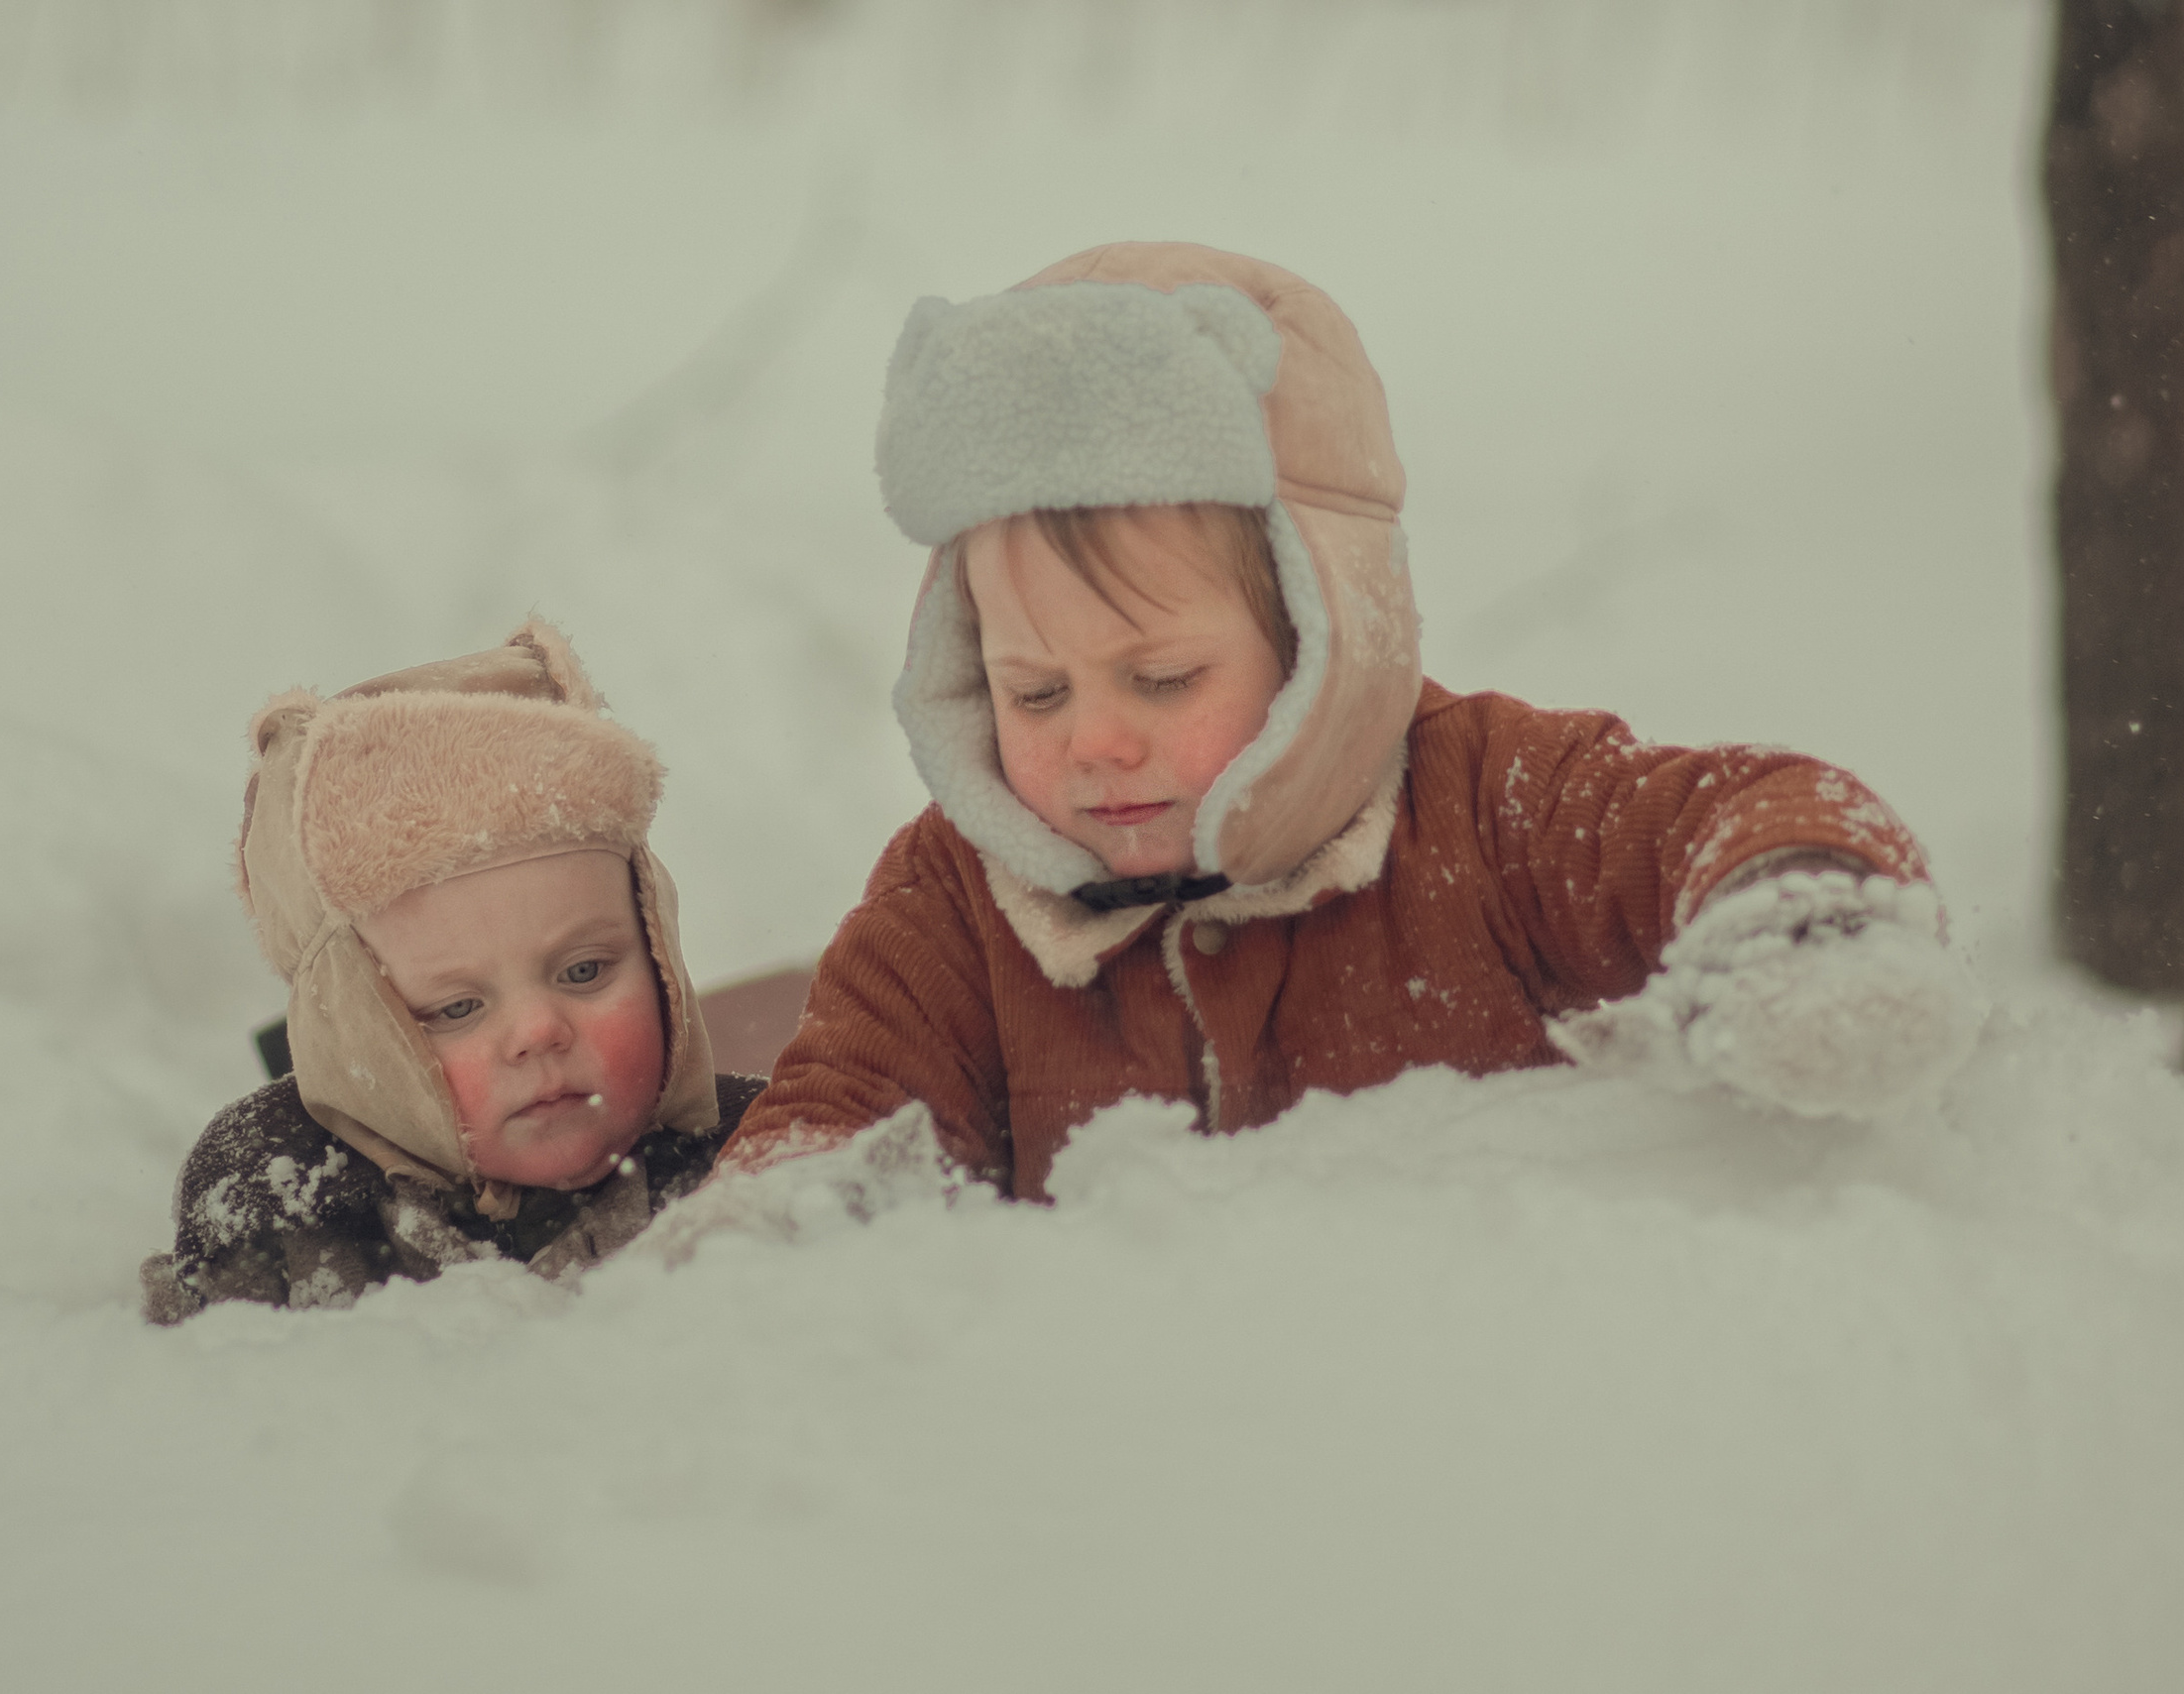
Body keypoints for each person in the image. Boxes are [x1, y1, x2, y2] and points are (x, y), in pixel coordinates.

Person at [713, 241, 1983, 1201]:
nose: (1093, 741)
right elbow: (843, 1100)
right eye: (1033, 690)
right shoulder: (954, 901)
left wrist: (1806, 922)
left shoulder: (1479, 802)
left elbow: (1723, 809)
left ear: (1319, 642)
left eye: (1160, 679)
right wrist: (774, 1219)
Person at [142, 621, 761, 1322]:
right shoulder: (283, 1202)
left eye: (584, 970)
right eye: (458, 1008)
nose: (537, 1030)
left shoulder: (758, 1156)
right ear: (357, 1039)